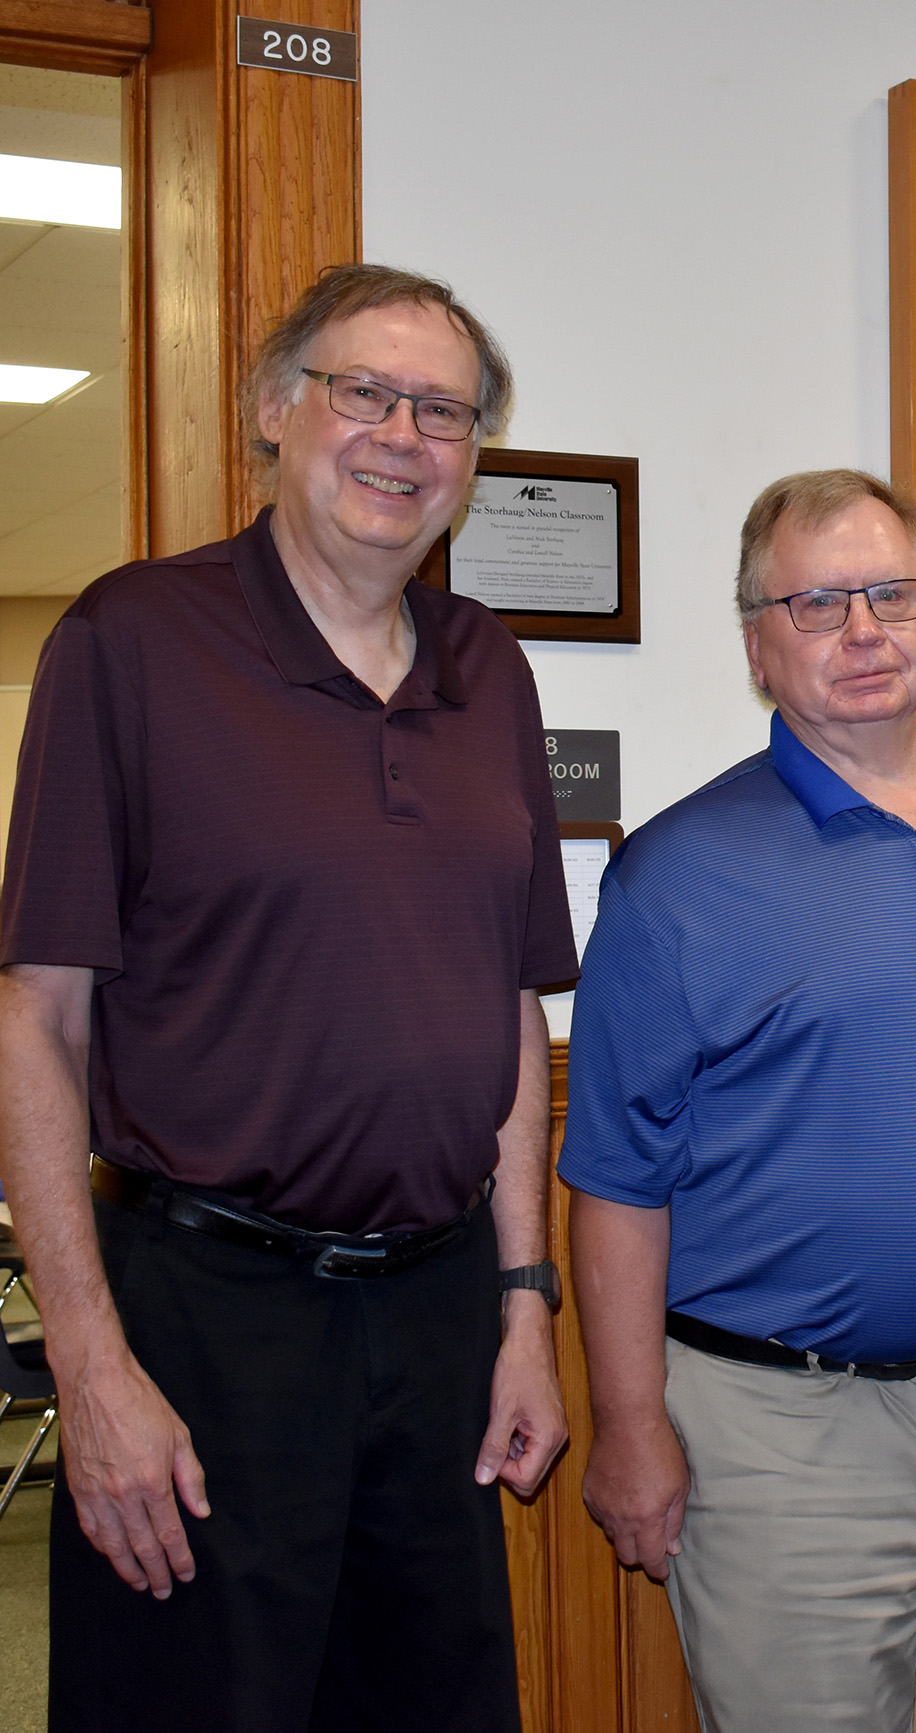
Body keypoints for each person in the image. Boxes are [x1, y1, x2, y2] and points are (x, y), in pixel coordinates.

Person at [0, 264, 574, 1730]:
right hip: (205, 1313)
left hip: (439, 1310)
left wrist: (524, 1309)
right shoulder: (131, 640)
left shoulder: (490, 669)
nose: (402, 437)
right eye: (363, 391)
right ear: (273, 407)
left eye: (442, 410)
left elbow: (510, 1014)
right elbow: (37, 1019)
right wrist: (89, 1363)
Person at [559, 469, 916, 1732]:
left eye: (892, 593)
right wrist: (629, 1421)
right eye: (817, 603)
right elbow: (614, 1178)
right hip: (783, 1430)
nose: (864, 630)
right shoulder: (674, 874)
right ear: (757, 645)